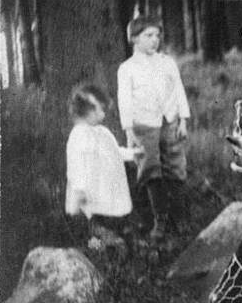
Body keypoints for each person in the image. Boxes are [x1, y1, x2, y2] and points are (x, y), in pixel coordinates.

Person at [117, 16, 191, 242]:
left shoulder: (166, 62)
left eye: (157, 35)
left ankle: (180, 217)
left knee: (175, 165)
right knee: (150, 169)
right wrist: (128, 129)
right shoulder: (127, 68)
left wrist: (183, 119)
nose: (154, 40)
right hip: (143, 124)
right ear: (134, 39)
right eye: (148, 36)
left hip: (169, 120)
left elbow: (178, 89)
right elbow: (125, 100)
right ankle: (160, 219)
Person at [65, 84, 141, 250]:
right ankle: (102, 249)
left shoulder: (102, 132)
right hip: (91, 198)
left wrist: (133, 154)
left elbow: (114, 151)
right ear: (87, 111)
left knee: (116, 226)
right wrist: (79, 192)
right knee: (97, 235)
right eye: (100, 109)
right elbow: (76, 166)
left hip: (109, 194)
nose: (104, 114)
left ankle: (120, 245)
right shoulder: (78, 136)